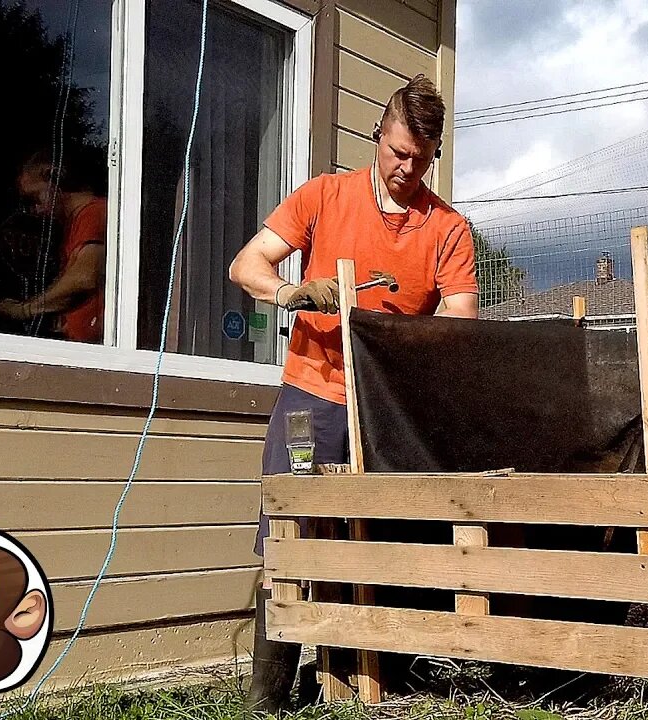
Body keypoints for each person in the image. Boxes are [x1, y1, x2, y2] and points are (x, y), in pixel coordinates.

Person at [228, 74, 479, 711]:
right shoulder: (324, 197)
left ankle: (373, 682)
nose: (407, 168)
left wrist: (405, 336)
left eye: (422, 160)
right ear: (378, 136)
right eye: (398, 153)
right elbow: (246, 265)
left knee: (383, 542)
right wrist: (291, 293)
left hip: (390, 411)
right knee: (290, 535)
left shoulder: (447, 229)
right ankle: (270, 695)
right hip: (312, 402)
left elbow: (462, 321)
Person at [0, 147, 107, 343]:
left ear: (53, 177)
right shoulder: (73, 225)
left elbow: (84, 278)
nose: (35, 210)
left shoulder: (93, 213)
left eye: (34, 198)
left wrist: (25, 310)